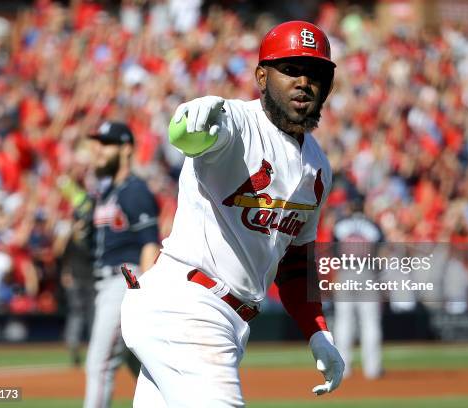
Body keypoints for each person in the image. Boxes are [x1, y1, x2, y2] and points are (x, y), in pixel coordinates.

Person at [121, 21, 345, 407]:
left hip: (223, 320)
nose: (304, 81)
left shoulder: (319, 167)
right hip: (188, 306)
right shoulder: (238, 123)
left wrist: (317, 331)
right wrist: (188, 122)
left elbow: (294, 263)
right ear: (261, 75)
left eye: (315, 72)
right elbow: (193, 135)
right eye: (290, 69)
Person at [84, 121, 161, 408]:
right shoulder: (107, 192)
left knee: (99, 363)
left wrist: (141, 293)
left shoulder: (134, 190)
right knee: (143, 367)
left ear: (126, 149)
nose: (98, 149)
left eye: (106, 143)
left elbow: (150, 243)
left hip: (125, 278)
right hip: (106, 282)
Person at [332, 196, 385, 380]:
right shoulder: (373, 225)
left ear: (350, 206)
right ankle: (373, 369)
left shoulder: (340, 224)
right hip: (367, 273)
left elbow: (333, 252)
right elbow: (382, 253)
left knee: (343, 321)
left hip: (346, 272)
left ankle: (343, 369)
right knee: (370, 322)